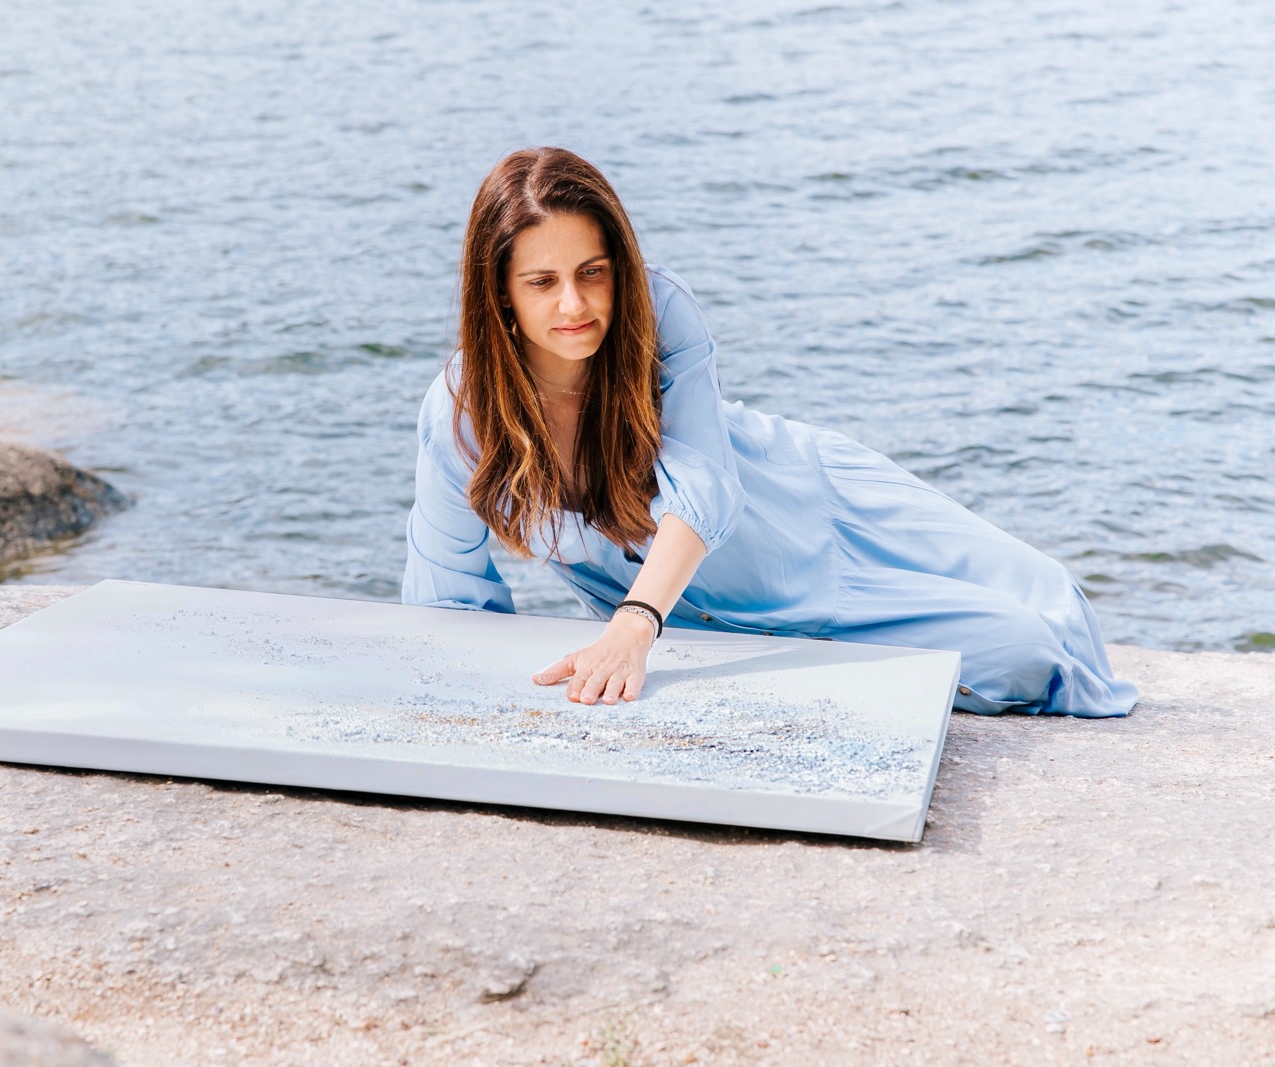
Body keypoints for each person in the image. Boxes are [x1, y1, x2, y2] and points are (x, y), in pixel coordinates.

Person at [402, 146, 1138, 717]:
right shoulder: (462, 413)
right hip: (703, 627)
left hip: (809, 520)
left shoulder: (659, 314)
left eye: (593, 272)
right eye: (542, 282)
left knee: (1050, 621)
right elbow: (449, 600)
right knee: (1020, 654)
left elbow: (703, 489)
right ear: (499, 292)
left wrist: (633, 623)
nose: (575, 304)